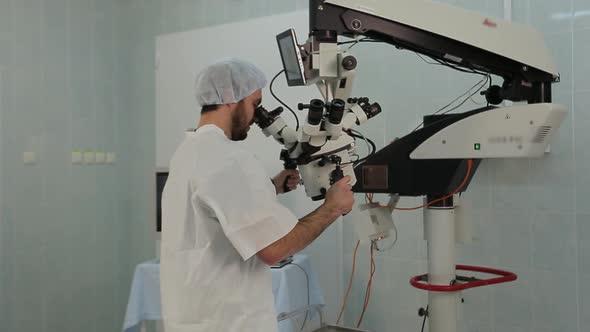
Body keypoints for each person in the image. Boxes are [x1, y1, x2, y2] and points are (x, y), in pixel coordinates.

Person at [160, 58, 354, 332]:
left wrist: (270, 186)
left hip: (191, 317)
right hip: (231, 322)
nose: (256, 117)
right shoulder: (229, 158)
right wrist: (332, 208)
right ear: (230, 98)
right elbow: (274, 250)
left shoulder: (188, 151)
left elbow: (212, 205)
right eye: (255, 104)